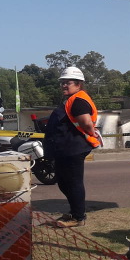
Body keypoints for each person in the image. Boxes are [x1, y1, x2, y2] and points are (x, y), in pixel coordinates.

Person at [43, 67, 101, 228]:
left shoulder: (78, 100)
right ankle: (75, 211)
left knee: (73, 182)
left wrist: (91, 132)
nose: (63, 85)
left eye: (67, 82)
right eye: (62, 82)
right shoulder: (71, 99)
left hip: (73, 148)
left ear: (78, 84)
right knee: (63, 182)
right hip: (65, 148)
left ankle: (78, 217)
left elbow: (86, 122)